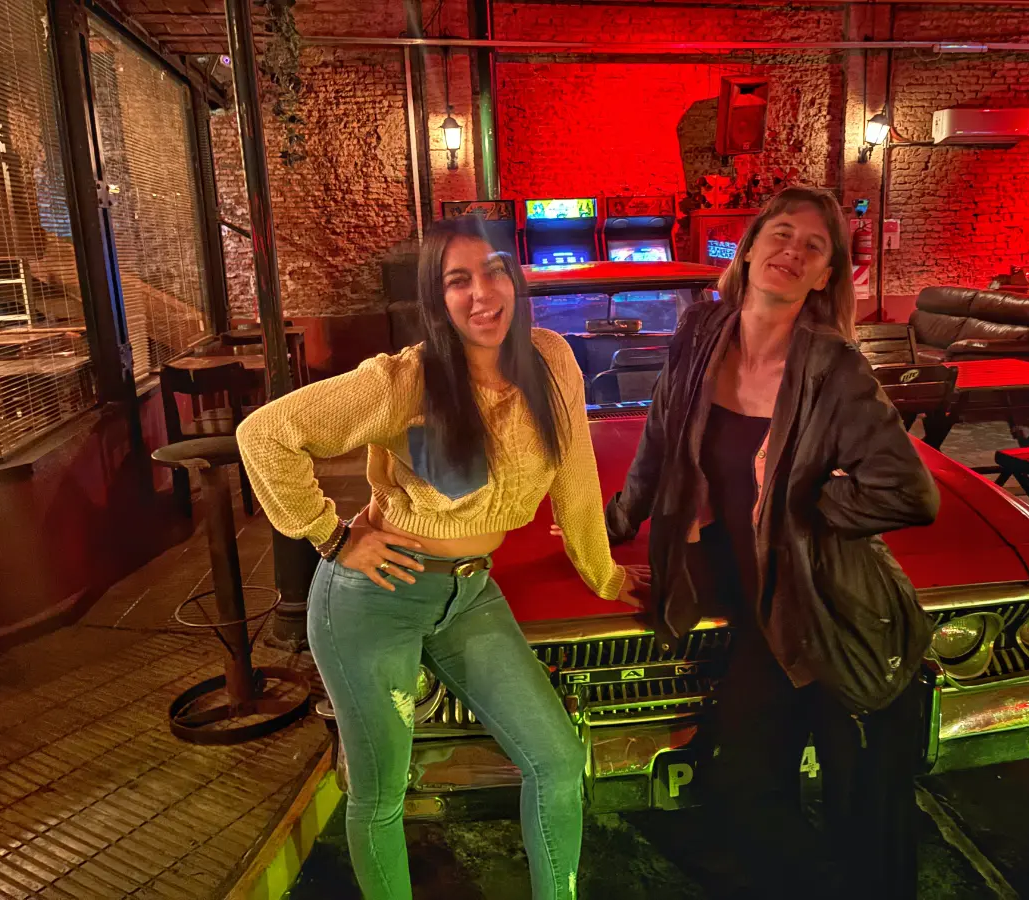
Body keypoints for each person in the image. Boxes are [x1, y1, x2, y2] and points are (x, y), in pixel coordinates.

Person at [236, 215, 646, 900]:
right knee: (382, 793)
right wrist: (332, 534)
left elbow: (576, 479)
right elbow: (265, 434)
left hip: (468, 592)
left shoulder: (552, 360)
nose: (482, 293)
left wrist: (602, 573)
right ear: (437, 299)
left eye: (493, 270)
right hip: (373, 602)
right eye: (459, 280)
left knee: (558, 760)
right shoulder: (404, 381)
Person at [603, 186, 939, 898]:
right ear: (749, 247)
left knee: (869, 820)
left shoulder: (835, 370)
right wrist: (614, 522)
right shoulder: (701, 333)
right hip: (767, 619)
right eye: (780, 234)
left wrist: (804, 502)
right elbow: (661, 437)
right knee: (749, 788)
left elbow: (911, 493)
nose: (792, 251)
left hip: (836, 612)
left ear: (825, 276)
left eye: (813, 246)